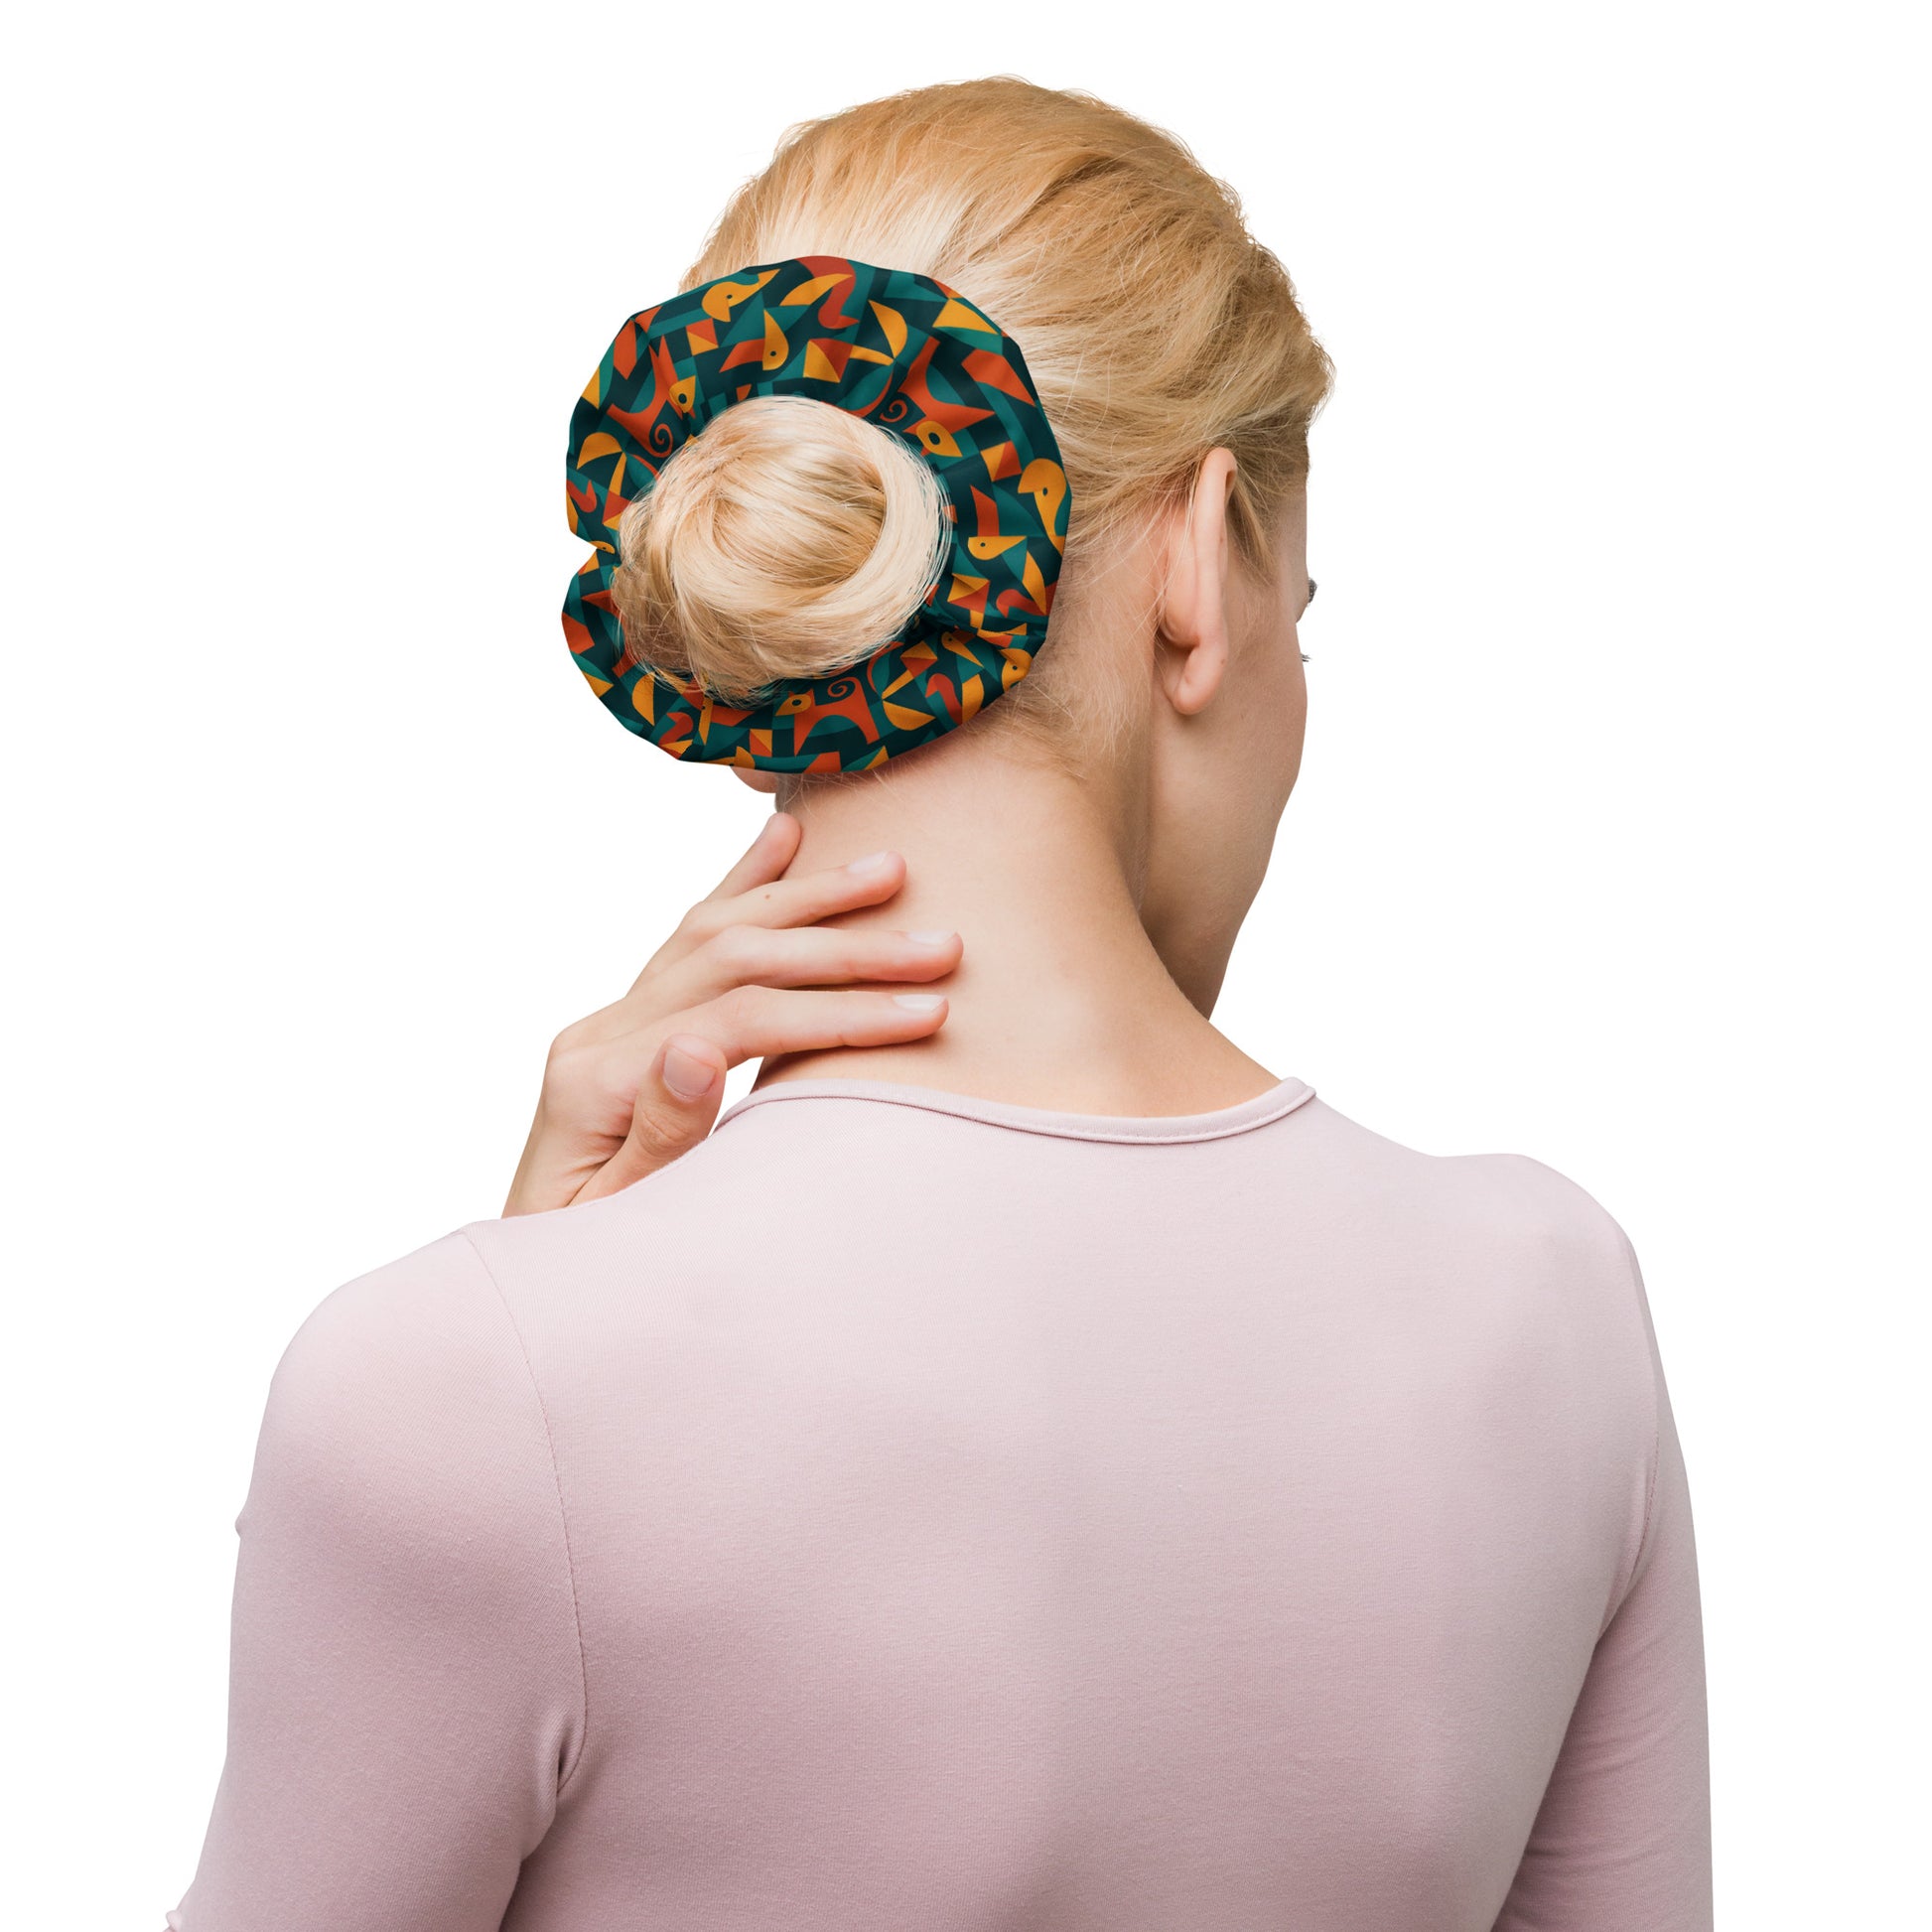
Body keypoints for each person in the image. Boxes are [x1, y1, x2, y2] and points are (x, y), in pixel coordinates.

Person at [169, 76, 1712, 1932]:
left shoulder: (455, 1388)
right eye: (1304, 610)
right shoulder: (1549, 1299)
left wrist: (534, 1330)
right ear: (1199, 567)